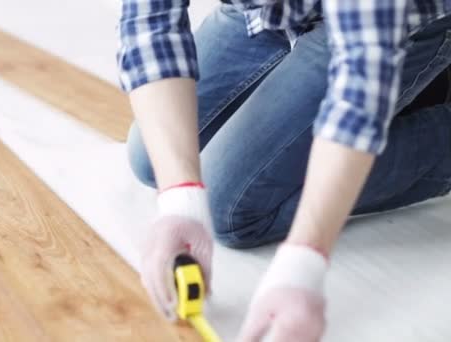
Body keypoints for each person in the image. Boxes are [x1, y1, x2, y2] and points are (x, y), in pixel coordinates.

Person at [118, 0, 451, 341]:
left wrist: (302, 266)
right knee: (150, 157)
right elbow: (150, 24)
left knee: (229, 206)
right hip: (272, 10)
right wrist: (181, 200)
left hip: (395, 18)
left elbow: (357, 93)